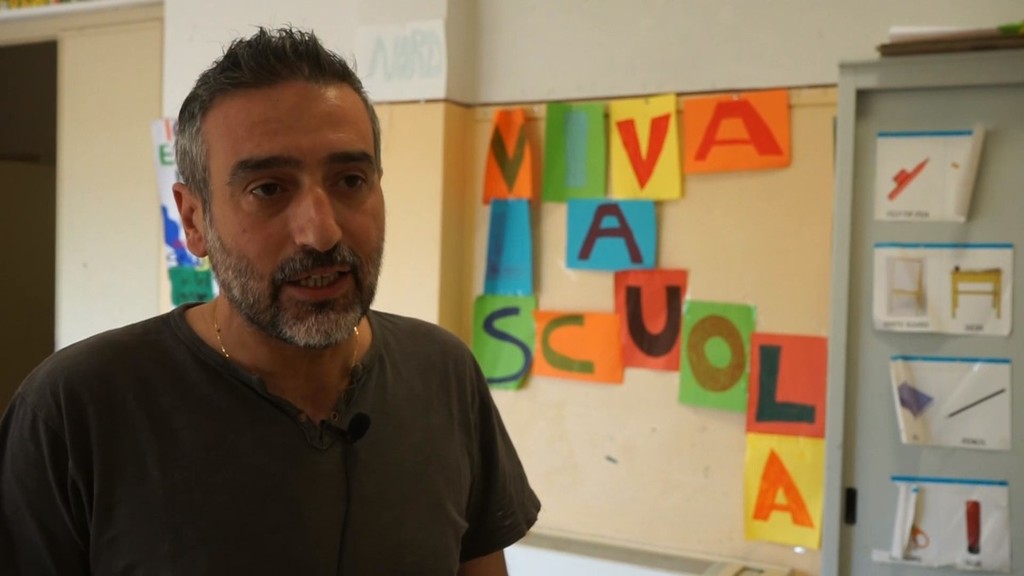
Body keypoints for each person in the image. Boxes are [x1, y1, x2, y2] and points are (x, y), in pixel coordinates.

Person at [0, 27, 540, 575]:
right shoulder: (77, 409)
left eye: (350, 180)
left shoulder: (443, 374)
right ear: (194, 219)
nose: (321, 232)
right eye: (268, 189)